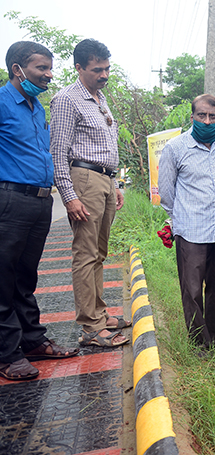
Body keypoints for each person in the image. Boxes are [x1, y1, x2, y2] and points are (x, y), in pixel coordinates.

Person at [0, 41, 79, 380]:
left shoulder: (35, 106)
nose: (49, 74)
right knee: (3, 279)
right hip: (10, 199)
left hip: (40, 201)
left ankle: (32, 341)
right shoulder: (2, 103)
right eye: (41, 68)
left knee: (25, 276)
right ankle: (7, 354)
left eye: (49, 68)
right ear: (18, 69)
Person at [51, 39, 128, 348]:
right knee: (85, 253)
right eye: (98, 69)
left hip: (104, 181)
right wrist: (69, 196)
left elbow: (109, 146)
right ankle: (91, 328)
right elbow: (57, 153)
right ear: (79, 68)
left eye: (107, 68)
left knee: (99, 252)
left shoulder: (100, 98)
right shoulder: (67, 99)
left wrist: (116, 184)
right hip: (83, 178)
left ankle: (99, 313)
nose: (104, 74)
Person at [158, 94, 215, 355]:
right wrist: (178, 219)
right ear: (192, 117)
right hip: (190, 231)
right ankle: (200, 342)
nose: (207, 121)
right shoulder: (175, 148)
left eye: (213, 116)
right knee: (191, 289)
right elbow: (166, 192)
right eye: (202, 115)